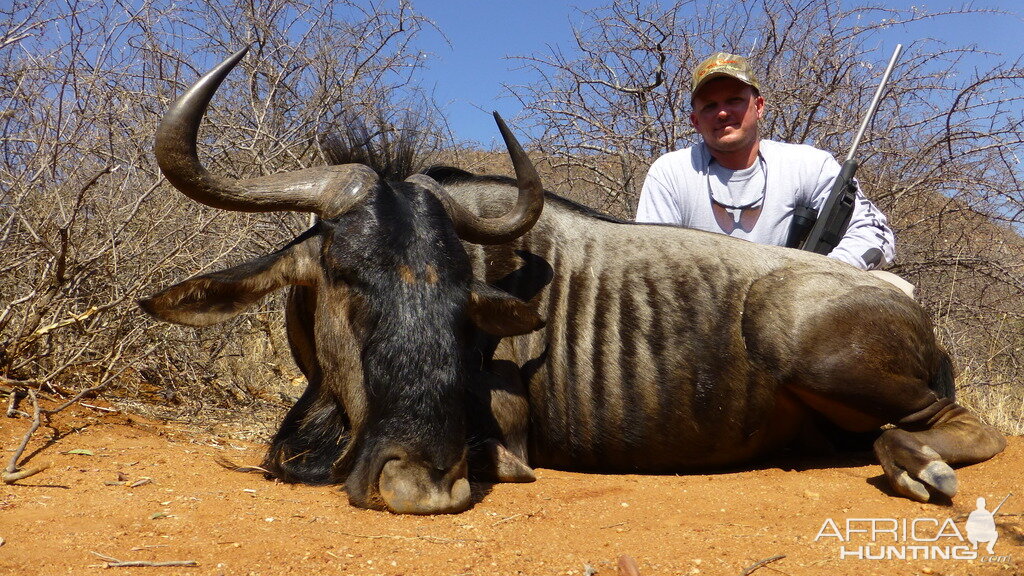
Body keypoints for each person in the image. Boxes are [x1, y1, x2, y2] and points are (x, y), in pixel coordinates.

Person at [636, 52, 895, 271]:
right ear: (695, 121)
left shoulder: (808, 164)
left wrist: (822, 275)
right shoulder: (670, 172)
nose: (723, 112)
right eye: (710, 106)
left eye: (734, 100)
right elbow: (650, 260)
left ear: (759, 106)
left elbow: (874, 233)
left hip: (799, 302)